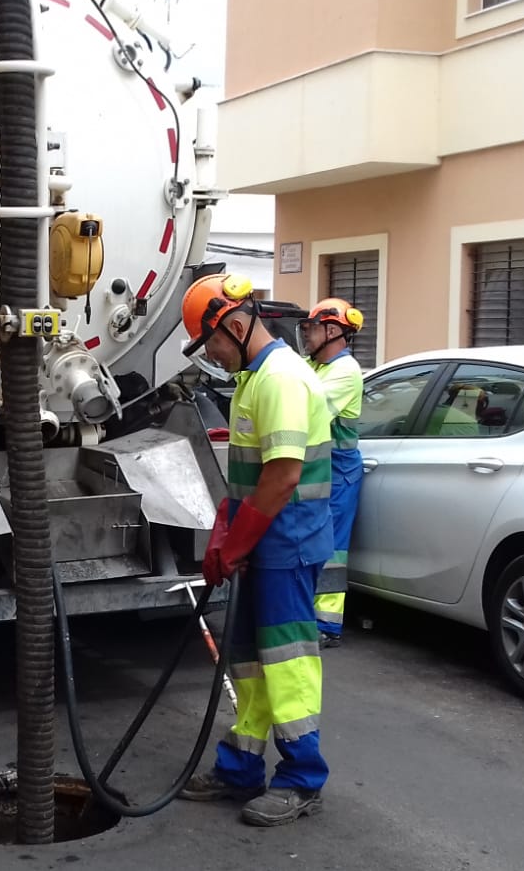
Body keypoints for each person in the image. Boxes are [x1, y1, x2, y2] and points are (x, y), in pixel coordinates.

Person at [175, 272, 335, 827]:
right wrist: (226, 533)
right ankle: (241, 765)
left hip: (286, 547)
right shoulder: (252, 377)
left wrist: (238, 542)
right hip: (261, 541)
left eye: (212, 342)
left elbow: (285, 476)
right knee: (246, 660)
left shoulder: (282, 380)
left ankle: (301, 778)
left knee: (287, 663)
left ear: (238, 325)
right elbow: (249, 476)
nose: (213, 356)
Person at [298, 298, 365, 649]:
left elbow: (308, 411)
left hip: (339, 472)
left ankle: (327, 625)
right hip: (322, 469)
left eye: (311, 329)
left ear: (332, 331)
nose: (306, 335)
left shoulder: (345, 371)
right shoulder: (318, 367)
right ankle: (310, 616)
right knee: (314, 542)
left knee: (331, 547)